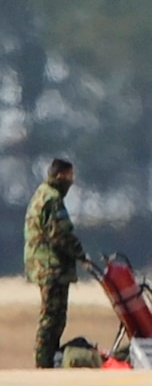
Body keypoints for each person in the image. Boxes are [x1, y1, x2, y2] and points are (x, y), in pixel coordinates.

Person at [22, 158, 87, 369]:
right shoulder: (52, 199)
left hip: (44, 266)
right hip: (51, 268)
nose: (71, 181)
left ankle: (48, 360)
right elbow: (60, 234)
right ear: (60, 175)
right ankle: (43, 362)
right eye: (69, 176)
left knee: (54, 317)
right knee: (52, 317)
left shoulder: (41, 193)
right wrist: (80, 255)